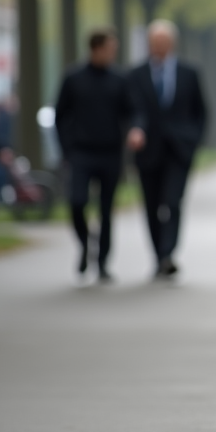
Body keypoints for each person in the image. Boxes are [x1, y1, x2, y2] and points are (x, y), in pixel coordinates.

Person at [128, 20, 208, 279]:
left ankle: (168, 253)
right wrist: (133, 130)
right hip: (147, 151)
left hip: (178, 151)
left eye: (163, 43)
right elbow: (130, 110)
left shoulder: (189, 72)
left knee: (172, 202)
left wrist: (194, 141)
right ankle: (159, 256)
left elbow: (201, 111)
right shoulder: (136, 74)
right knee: (152, 205)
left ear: (172, 43)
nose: (159, 48)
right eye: (154, 43)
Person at [54, 28, 136, 281]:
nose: (114, 53)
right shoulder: (73, 78)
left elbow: (132, 111)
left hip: (110, 153)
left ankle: (102, 263)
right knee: (77, 202)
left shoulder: (120, 79)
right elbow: (60, 115)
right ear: (96, 48)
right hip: (80, 152)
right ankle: (85, 244)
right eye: (111, 48)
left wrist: (134, 130)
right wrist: (66, 148)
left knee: (106, 210)